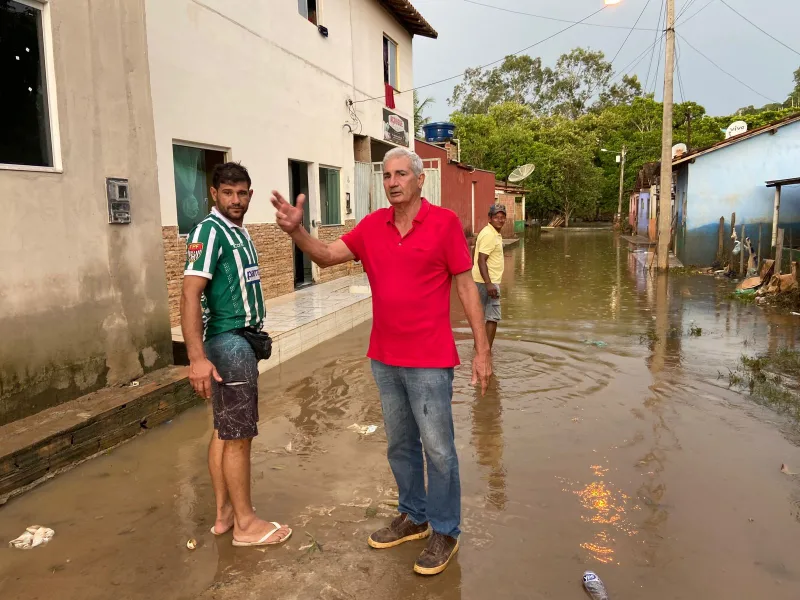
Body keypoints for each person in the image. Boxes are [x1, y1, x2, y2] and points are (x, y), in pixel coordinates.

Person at [270, 147, 492, 576]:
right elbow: (326, 255)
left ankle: (445, 529)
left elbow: (467, 289)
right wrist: (297, 233)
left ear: (419, 179)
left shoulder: (444, 224)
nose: (392, 182)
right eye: (387, 175)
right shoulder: (373, 227)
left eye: (401, 174)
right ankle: (414, 514)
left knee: (440, 450)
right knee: (399, 445)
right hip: (385, 360)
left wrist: (482, 351)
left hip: (429, 362)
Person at [181, 162, 292, 548]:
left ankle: (225, 514)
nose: (236, 200)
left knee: (223, 431)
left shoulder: (238, 233)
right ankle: (247, 525)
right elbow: (189, 293)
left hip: (242, 340)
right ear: (214, 193)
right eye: (228, 193)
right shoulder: (208, 232)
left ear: (250, 194)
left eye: (242, 193)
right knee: (239, 436)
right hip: (228, 343)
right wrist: (196, 357)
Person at [472, 204, 507, 348]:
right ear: (490, 218)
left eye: (502, 217)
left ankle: (479, 349)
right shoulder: (489, 234)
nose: (500, 220)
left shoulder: (491, 232)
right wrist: (488, 284)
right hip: (487, 282)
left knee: (481, 318)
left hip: (483, 280)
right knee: (493, 318)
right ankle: (486, 353)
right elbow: (481, 260)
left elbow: (474, 251)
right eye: (496, 217)